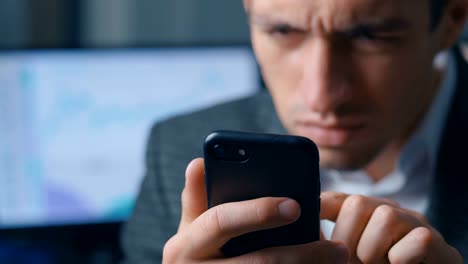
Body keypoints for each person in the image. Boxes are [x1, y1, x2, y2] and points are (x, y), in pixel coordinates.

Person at [122, 0, 468, 263]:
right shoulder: (176, 146)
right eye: (282, 31)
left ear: (452, 20)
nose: (321, 98)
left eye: (371, 36)